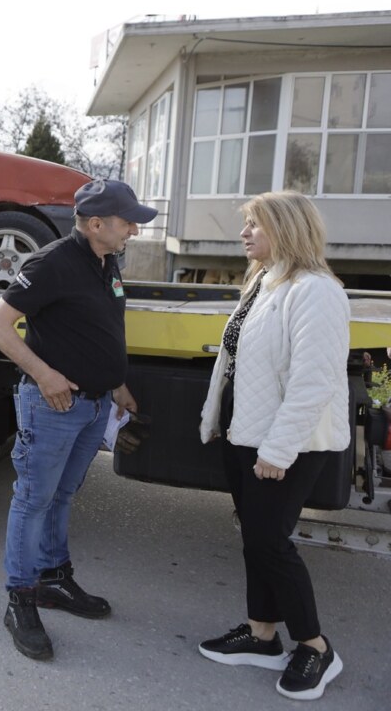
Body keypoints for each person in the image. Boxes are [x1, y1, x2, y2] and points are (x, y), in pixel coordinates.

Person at [0, 178, 154, 660]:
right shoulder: (52, 263)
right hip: (54, 406)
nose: (134, 231)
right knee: (33, 500)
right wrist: (45, 375)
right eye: (128, 222)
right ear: (96, 224)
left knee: (62, 495)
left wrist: (117, 383)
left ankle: (54, 580)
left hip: (95, 405)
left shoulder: (107, 260)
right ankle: (20, 600)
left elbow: (101, 327)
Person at [197, 191, 349, 701]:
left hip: (288, 442)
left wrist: (278, 450)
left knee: (269, 542)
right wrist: (217, 417)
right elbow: (237, 361)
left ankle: (315, 646)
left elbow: (314, 381)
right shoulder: (265, 281)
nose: (243, 233)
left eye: (254, 224)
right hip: (248, 432)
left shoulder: (315, 290)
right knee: (255, 536)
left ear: (286, 229)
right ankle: (262, 634)